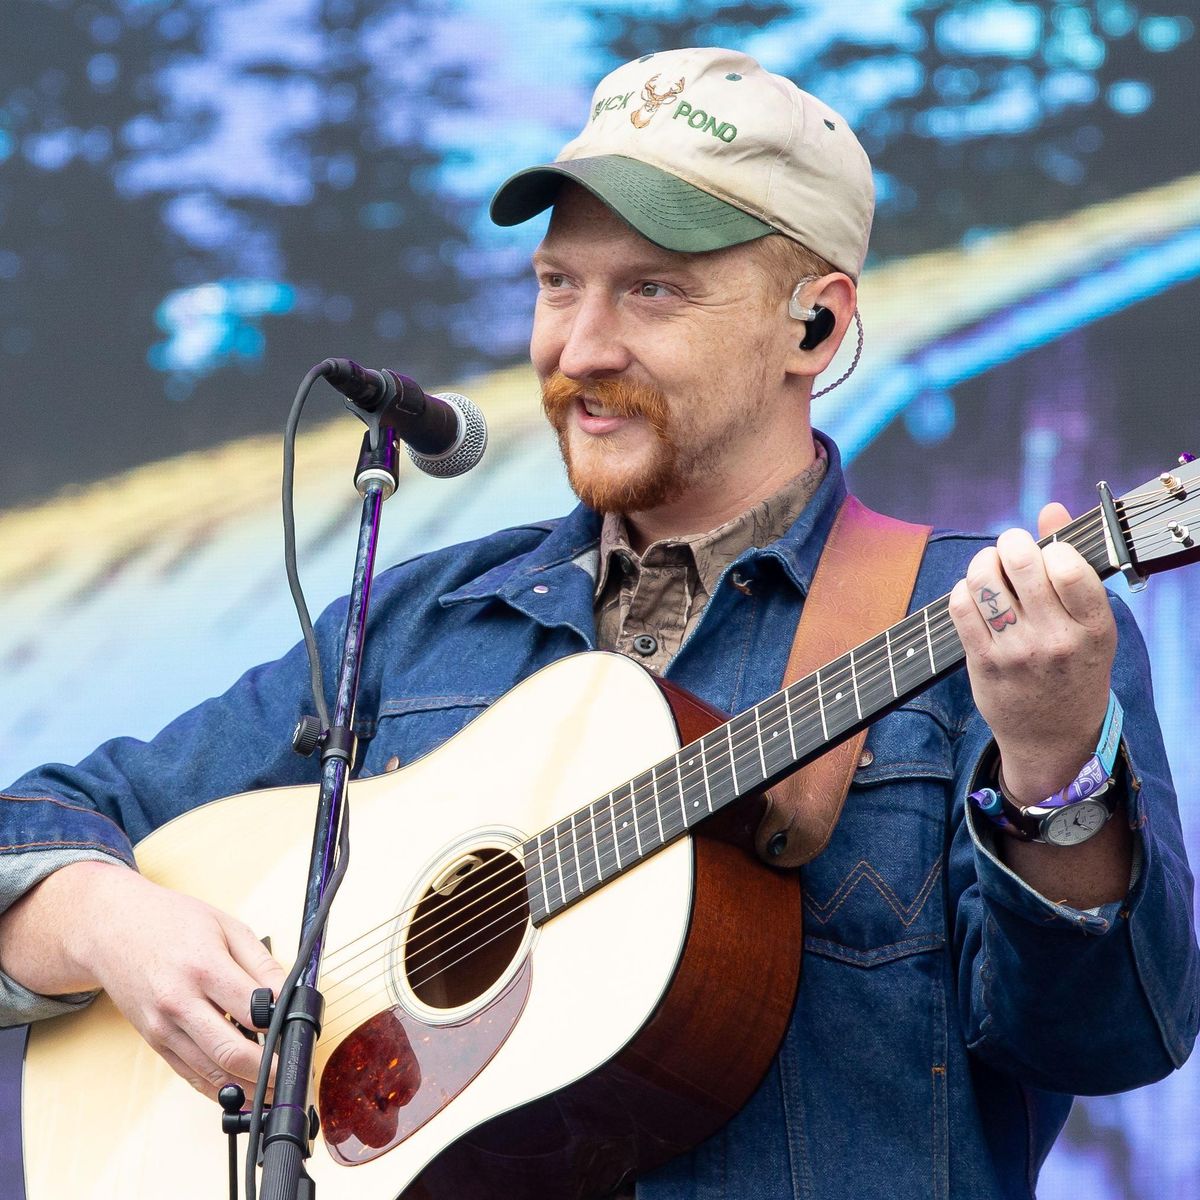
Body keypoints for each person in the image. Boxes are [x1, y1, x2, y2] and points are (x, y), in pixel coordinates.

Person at [1, 46, 1196, 1200]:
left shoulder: (1003, 638)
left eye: (652, 290)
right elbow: (42, 820)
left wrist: (1055, 776)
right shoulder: (418, 626)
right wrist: (109, 925)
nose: (579, 348)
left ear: (815, 326)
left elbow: (1114, 1038)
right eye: (557, 284)